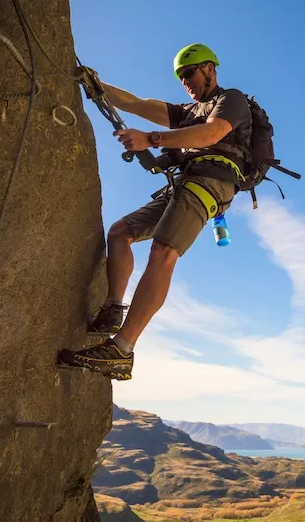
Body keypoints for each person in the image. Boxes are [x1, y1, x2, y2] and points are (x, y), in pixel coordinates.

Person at [58, 43, 253, 381]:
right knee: (120, 233)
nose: (185, 82)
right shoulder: (187, 112)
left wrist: (151, 139)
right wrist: (94, 83)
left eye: (189, 73)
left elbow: (213, 133)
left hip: (213, 181)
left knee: (164, 251)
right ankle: (113, 309)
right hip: (186, 182)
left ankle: (122, 350)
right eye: (180, 77)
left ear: (210, 69)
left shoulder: (230, 99)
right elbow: (135, 103)